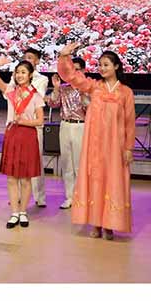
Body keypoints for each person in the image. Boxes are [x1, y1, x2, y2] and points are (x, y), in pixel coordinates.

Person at [58, 45, 133, 239]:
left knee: (112, 181)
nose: (102, 68)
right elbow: (71, 76)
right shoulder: (94, 87)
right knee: (96, 181)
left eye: (106, 65)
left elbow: (129, 122)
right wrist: (65, 56)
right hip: (95, 145)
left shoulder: (125, 92)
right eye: (100, 65)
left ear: (116, 66)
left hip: (115, 147)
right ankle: (96, 223)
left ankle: (110, 224)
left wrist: (128, 148)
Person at [0, 57, 45, 228]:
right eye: (17, 72)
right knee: (11, 178)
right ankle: (14, 212)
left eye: (23, 72)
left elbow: (40, 121)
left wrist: (24, 122)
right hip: (12, 135)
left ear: (30, 75)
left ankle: (23, 212)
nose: (19, 75)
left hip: (28, 136)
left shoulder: (36, 96)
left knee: (26, 178)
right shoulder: (10, 92)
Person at [5, 47, 49, 207]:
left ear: (37, 61)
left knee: (34, 164)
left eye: (31, 57)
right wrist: (15, 78)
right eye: (25, 57)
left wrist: (24, 80)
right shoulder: (16, 79)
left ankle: (39, 196)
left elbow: (37, 97)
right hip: (15, 128)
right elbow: (9, 91)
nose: (27, 59)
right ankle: (18, 197)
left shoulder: (42, 79)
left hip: (32, 126)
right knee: (17, 166)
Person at [46, 56, 89, 210]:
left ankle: (81, 196)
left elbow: (91, 108)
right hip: (65, 125)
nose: (74, 73)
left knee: (79, 164)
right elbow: (52, 103)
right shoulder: (64, 88)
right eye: (72, 70)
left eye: (77, 70)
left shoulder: (88, 88)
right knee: (67, 163)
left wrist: (83, 93)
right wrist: (56, 88)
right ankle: (69, 196)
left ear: (83, 71)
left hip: (80, 126)